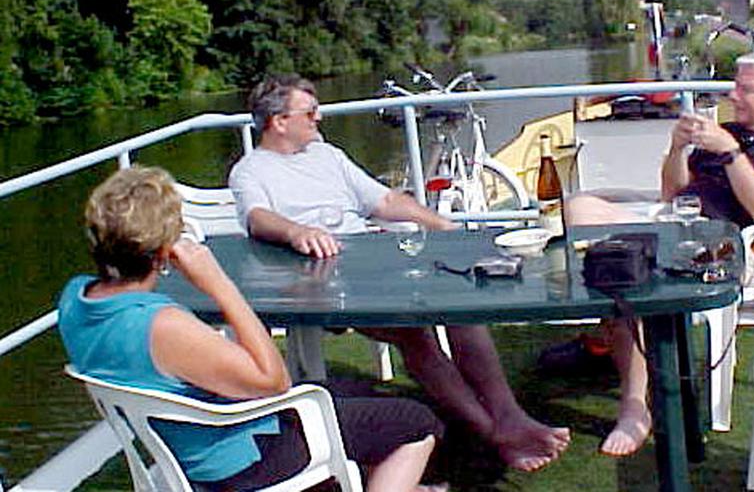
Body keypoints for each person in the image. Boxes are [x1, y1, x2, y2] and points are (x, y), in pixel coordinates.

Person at [229, 74, 571, 472]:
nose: (318, 119)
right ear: (279, 121)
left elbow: (385, 200)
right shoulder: (251, 171)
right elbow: (257, 217)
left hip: (371, 260)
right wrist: (298, 232)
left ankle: (509, 414)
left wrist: (442, 226)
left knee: (462, 308)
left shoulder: (327, 156)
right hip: (321, 276)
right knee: (415, 332)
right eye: (309, 112)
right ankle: (494, 433)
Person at [58, 166, 446, 492]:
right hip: (237, 464)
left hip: (180, 442)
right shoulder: (162, 326)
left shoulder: (75, 299)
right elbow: (273, 382)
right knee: (417, 423)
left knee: (355, 389)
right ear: (164, 252)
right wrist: (220, 285)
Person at [566, 50, 754, 457]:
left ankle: (635, 406)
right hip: (673, 225)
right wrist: (677, 149)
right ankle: (618, 313)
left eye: (745, 89)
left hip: (729, 246)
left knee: (627, 276)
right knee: (580, 209)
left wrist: (731, 153)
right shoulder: (727, 130)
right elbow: (672, 194)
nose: (733, 95)